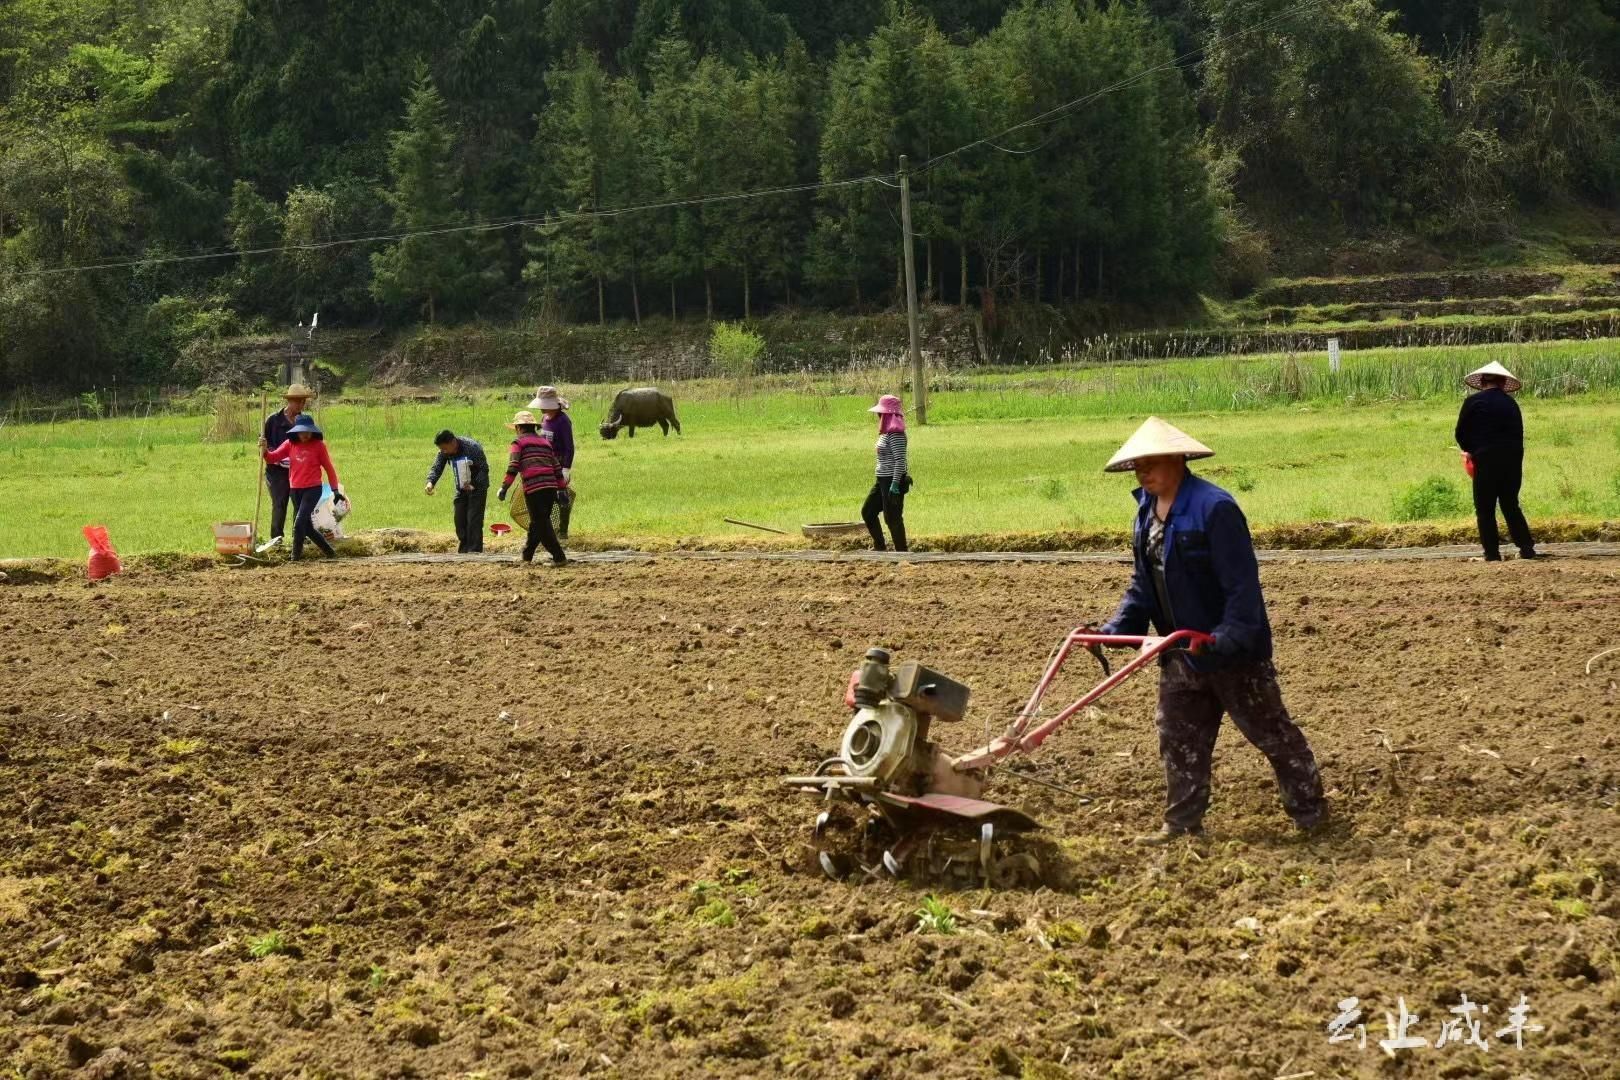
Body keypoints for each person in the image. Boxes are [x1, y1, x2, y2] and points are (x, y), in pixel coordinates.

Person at [1096, 417, 1326, 844]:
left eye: (1150, 463)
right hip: (1181, 650)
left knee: (1271, 734)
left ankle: (1310, 814)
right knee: (1177, 735)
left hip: (1231, 653)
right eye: (1137, 466)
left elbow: (1241, 585)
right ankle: (1182, 824)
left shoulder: (1214, 508)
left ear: (1177, 459)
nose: (1142, 472)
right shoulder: (1145, 513)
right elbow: (1143, 585)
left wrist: (1228, 637)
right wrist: (1116, 628)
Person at [1455, 361, 1538, 562]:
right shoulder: (1511, 404)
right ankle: (1526, 549)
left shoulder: (1473, 402)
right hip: (1512, 460)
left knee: (1485, 508)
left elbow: (1461, 434)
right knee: (1510, 504)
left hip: (1485, 459)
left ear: (1482, 382)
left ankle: (1492, 554)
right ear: (1502, 383)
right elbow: (1518, 435)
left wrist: (1472, 451)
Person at [262, 416, 344, 561]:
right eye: (302, 431)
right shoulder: (289, 444)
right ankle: (330, 552)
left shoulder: (319, 446)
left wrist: (335, 490)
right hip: (295, 490)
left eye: (308, 431)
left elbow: (329, 468)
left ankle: (295, 556)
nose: (305, 435)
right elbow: (272, 458)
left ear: (313, 432)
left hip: (313, 489)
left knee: (299, 522)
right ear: (296, 432)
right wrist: (264, 450)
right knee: (307, 528)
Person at [496, 410, 567, 566]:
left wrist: (504, 487)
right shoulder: (545, 443)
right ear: (533, 427)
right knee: (537, 523)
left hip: (534, 488)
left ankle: (559, 557)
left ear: (519, 428)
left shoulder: (518, 443)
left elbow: (513, 466)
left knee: (541, 524)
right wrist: (561, 489)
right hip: (550, 487)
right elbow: (556, 466)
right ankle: (527, 555)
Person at [258, 383, 316, 546]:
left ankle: (300, 538)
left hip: (298, 471)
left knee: (300, 505)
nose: (300, 405)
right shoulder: (273, 421)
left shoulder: (304, 423)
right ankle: (276, 540)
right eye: (297, 401)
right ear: (289, 401)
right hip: (276, 472)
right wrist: (264, 447)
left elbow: (311, 444)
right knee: (279, 504)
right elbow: (264, 445)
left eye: (303, 402)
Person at [425, 430, 490, 554]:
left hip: (478, 487)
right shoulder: (445, 451)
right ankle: (464, 550)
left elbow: (484, 469)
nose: (443, 451)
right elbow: (437, 466)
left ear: (453, 442)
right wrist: (430, 482)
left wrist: (473, 484)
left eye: (444, 448)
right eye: (441, 449)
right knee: (459, 519)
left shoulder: (472, 448)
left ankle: (474, 551)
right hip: (461, 487)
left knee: (473, 520)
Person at [861, 394, 911, 552]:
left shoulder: (896, 434)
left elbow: (900, 460)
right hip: (882, 480)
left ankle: (901, 553)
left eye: (880, 413)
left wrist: (895, 484)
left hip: (892, 480)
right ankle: (880, 547)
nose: (878, 416)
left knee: (892, 518)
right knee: (868, 511)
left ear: (887, 414)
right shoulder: (886, 433)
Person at [529, 385, 575, 540]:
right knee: (545, 497)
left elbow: (569, 447)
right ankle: (546, 530)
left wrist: (566, 468)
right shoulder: (543, 419)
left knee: (562, 497)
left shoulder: (563, 421)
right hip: (545, 464)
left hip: (559, 465)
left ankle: (563, 532)